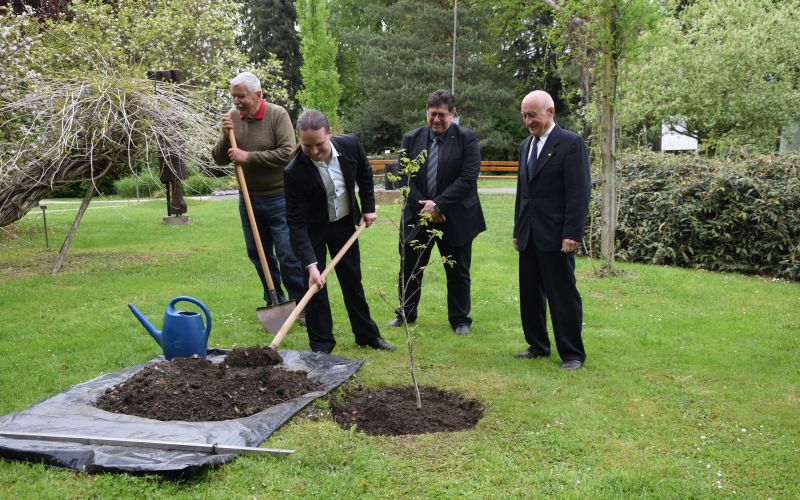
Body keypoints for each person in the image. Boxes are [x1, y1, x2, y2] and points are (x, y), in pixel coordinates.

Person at [283, 109, 395, 354]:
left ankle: (367, 335)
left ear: (330, 134)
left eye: (319, 144)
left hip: (343, 224)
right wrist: (311, 264)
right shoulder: (294, 172)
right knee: (314, 287)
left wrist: (368, 208)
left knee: (352, 280)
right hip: (312, 230)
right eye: (306, 145)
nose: (313, 151)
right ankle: (322, 344)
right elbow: (296, 222)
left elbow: (365, 173)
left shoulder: (351, 145)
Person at [387, 89, 485, 335]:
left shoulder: (467, 139)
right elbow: (404, 177)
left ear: (453, 114)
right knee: (409, 268)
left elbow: (467, 179)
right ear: (426, 113)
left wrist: (439, 205)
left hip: (456, 217)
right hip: (418, 217)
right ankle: (406, 313)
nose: (437, 120)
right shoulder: (411, 139)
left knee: (458, 271)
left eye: (442, 115)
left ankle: (460, 319)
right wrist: (427, 208)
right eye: (432, 115)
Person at [212, 72, 306, 323]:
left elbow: (288, 153)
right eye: (233, 97)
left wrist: (249, 157)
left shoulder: (277, 115)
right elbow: (220, 158)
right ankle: (273, 299)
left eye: (241, 96)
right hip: (249, 198)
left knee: (288, 253)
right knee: (258, 252)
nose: (236, 102)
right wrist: (225, 135)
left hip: (279, 196)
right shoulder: (231, 119)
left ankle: (301, 304)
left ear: (258, 95)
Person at [513, 90, 591, 370]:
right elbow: (524, 193)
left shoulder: (570, 144)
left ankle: (572, 353)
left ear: (551, 112)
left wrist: (572, 233)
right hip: (529, 234)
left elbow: (579, 193)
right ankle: (537, 345)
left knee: (562, 295)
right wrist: (517, 229)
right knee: (530, 294)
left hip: (557, 236)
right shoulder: (525, 146)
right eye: (524, 115)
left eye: (532, 114)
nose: (527, 121)